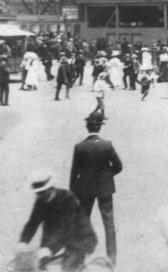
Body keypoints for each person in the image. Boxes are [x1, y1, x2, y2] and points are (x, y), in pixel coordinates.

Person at [69, 109, 122, 266]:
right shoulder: (107, 145)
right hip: (105, 188)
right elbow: (118, 166)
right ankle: (112, 259)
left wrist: (73, 192)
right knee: (109, 223)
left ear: (87, 127)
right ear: (100, 127)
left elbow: (74, 173)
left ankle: (82, 256)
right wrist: (107, 176)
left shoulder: (79, 147)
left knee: (84, 221)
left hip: (85, 189)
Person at [18, 169, 97, 272]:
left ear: (50, 188)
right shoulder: (41, 200)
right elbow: (33, 223)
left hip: (78, 237)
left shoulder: (68, 198)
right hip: (55, 237)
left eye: (42, 192)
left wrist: (49, 249)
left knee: (69, 267)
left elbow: (68, 228)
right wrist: (23, 242)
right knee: (39, 264)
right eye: (37, 193)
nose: (39, 195)